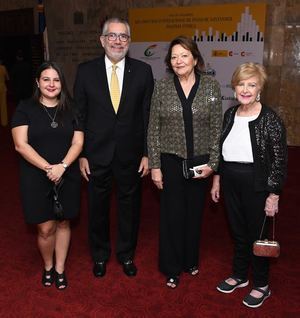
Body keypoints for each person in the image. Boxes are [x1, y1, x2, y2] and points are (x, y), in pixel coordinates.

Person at [74, 17, 154, 278]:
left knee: (130, 208)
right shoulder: (85, 72)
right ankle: (99, 255)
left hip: (131, 155)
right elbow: (80, 116)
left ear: (129, 42)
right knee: (97, 207)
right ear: (102, 40)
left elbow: (147, 116)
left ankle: (126, 254)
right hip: (96, 154)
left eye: (123, 37)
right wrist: (82, 155)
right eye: (112, 36)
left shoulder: (143, 71)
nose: (117, 41)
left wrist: (146, 153)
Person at [147, 36, 223, 288]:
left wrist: (213, 164)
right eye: (174, 56)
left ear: (195, 58)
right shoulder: (162, 86)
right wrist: (155, 165)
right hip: (170, 160)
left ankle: (190, 259)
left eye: (184, 55)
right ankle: (171, 266)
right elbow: (153, 128)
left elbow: (216, 128)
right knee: (172, 215)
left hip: (200, 162)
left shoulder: (211, 86)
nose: (178, 61)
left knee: (193, 214)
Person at [210, 62, 287, 308]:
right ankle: (240, 275)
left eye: (251, 84)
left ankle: (262, 285)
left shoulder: (270, 119)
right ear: (234, 87)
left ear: (259, 89)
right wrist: (217, 178)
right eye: (241, 84)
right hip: (230, 179)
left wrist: (273, 194)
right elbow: (222, 151)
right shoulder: (230, 114)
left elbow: (279, 161)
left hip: (257, 182)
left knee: (257, 235)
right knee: (237, 231)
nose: (245, 89)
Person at [11, 61, 84, 290]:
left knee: (63, 223)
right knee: (45, 228)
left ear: (62, 83)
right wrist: (48, 168)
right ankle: (48, 265)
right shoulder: (25, 108)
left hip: (67, 173)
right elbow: (20, 145)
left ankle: (60, 268)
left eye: (56, 80)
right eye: (46, 79)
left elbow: (78, 141)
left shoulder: (72, 108)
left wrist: (62, 166)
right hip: (35, 176)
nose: (51, 84)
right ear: (37, 82)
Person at [0, 58, 9, 126]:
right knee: (3, 106)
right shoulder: (3, 68)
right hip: (2, 87)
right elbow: (7, 78)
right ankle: (4, 122)